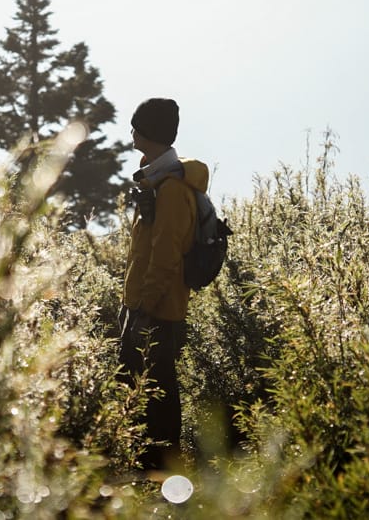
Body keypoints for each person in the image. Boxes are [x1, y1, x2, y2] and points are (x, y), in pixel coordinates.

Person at [118, 97, 209, 472]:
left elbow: (166, 256)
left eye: (137, 126)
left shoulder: (171, 189)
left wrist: (142, 307)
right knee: (138, 388)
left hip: (156, 310)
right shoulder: (157, 179)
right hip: (143, 304)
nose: (132, 132)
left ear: (149, 132)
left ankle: (163, 478)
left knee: (157, 396)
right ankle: (143, 467)